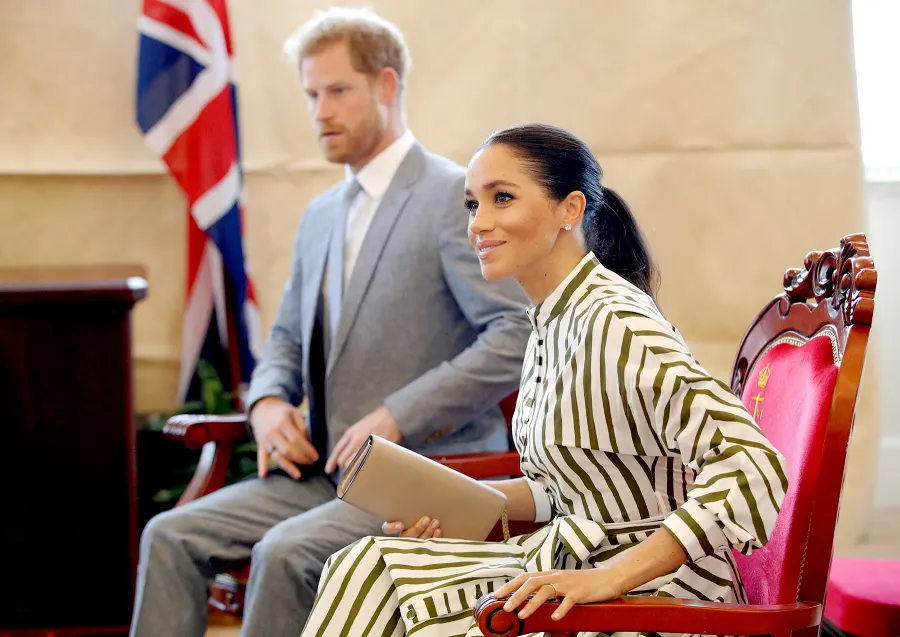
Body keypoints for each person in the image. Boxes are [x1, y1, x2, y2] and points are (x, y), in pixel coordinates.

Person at [129, 9, 531, 637]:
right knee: (169, 534)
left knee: (284, 553)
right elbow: (285, 338)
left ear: (387, 86)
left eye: (337, 90)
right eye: (312, 94)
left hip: (425, 475)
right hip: (322, 475)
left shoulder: (454, 198)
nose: (320, 110)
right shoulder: (321, 213)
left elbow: (514, 333)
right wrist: (264, 404)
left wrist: (399, 412)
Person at [300, 123, 789, 637]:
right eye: (472, 205)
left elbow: (752, 463)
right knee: (370, 565)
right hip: (569, 561)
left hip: (657, 595)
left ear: (570, 210)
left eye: (502, 198)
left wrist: (610, 577)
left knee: (403, 601)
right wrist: (449, 502)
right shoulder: (549, 321)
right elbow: (563, 489)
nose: (479, 224)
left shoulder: (617, 323)